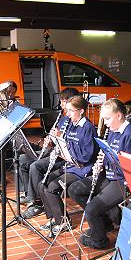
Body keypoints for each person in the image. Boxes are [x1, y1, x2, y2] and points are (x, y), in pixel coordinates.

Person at [68, 98, 131, 249]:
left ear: (119, 115)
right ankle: (104, 224)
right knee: (75, 189)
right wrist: (103, 161)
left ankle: (99, 241)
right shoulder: (112, 131)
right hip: (110, 176)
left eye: (107, 118)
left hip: (124, 181)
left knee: (91, 209)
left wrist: (111, 160)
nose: (105, 123)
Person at [37, 95, 98, 235]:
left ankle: (63, 221)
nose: (67, 114)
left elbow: (85, 156)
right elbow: (66, 145)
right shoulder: (71, 123)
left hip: (81, 169)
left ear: (81, 111)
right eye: (67, 110)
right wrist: (57, 142)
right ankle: (54, 217)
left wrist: (64, 142)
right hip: (70, 165)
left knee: (52, 187)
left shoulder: (87, 128)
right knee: (43, 184)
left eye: (71, 111)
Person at [20, 87, 80, 219]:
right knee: (24, 160)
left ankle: (37, 203)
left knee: (35, 166)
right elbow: (55, 140)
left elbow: (70, 144)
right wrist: (51, 138)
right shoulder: (64, 119)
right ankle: (29, 194)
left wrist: (58, 137)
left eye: (63, 102)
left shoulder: (75, 121)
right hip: (55, 150)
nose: (61, 105)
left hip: (63, 156)